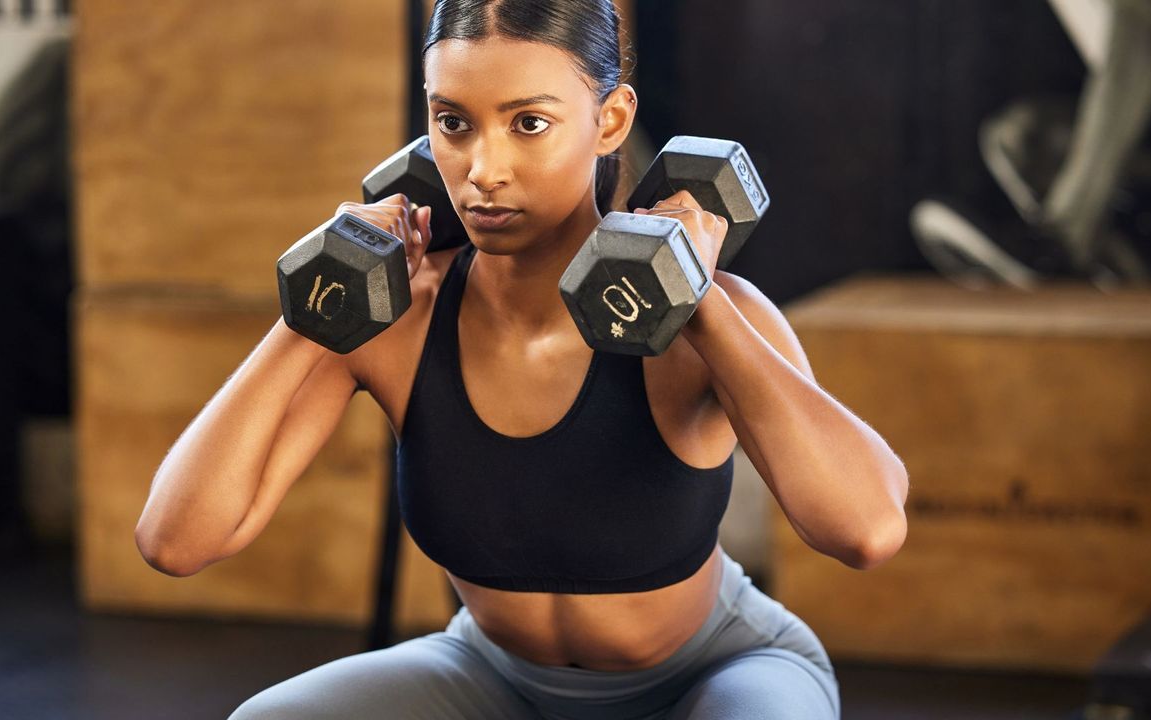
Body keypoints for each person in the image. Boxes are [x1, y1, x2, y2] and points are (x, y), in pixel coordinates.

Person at [135, 1, 910, 717]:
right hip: (493, 678)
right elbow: (177, 542)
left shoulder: (713, 318)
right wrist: (310, 315)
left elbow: (868, 531)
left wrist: (697, 300)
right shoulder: (399, 320)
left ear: (609, 120)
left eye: (528, 124)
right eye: (454, 122)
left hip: (712, 672)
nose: (482, 169)